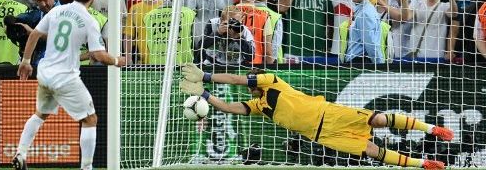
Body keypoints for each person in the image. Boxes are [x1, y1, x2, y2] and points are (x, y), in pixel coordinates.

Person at [179, 63, 454, 170]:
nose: (250, 83)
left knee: (377, 119)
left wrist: (206, 76)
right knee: (372, 150)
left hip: (330, 114)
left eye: (252, 80)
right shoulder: (259, 106)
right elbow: (231, 107)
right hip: (324, 135)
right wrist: (204, 96)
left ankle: (431, 128)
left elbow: (238, 79)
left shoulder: (274, 81)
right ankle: (423, 164)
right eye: (251, 82)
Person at [12, 0, 126, 170]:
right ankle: (87, 168)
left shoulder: (57, 11)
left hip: (45, 73)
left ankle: (21, 153)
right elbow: (98, 55)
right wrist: (117, 60)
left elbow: (35, 34)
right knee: (90, 119)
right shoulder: (90, 21)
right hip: (65, 77)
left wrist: (26, 61)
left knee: (40, 114)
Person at [6, 0, 59, 66]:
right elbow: (14, 19)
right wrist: (12, 24)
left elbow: (58, 39)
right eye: (39, 0)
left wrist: (32, 32)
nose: (43, 4)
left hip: (56, 66)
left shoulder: (63, 14)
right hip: (37, 65)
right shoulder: (37, 13)